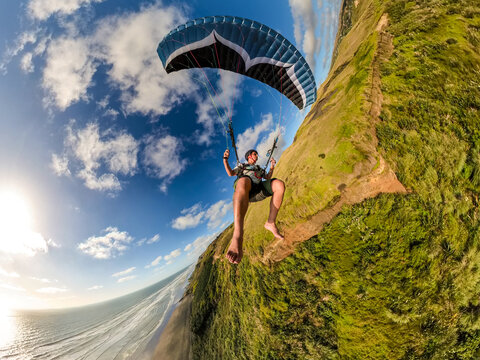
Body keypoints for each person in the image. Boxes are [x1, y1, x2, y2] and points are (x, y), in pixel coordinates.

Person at [223, 148, 285, 264]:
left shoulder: (259, 169)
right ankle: (237, 235)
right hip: (244, 188)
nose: (256, 156)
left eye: (256, 154)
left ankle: (270, 223)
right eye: (254, 154)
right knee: (244, 180)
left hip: (257, 190)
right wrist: (225, 159)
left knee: (279, 185)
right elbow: (231, 173)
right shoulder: (242, 166)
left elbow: (267, 177)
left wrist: (272, 166)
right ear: (249, 156)